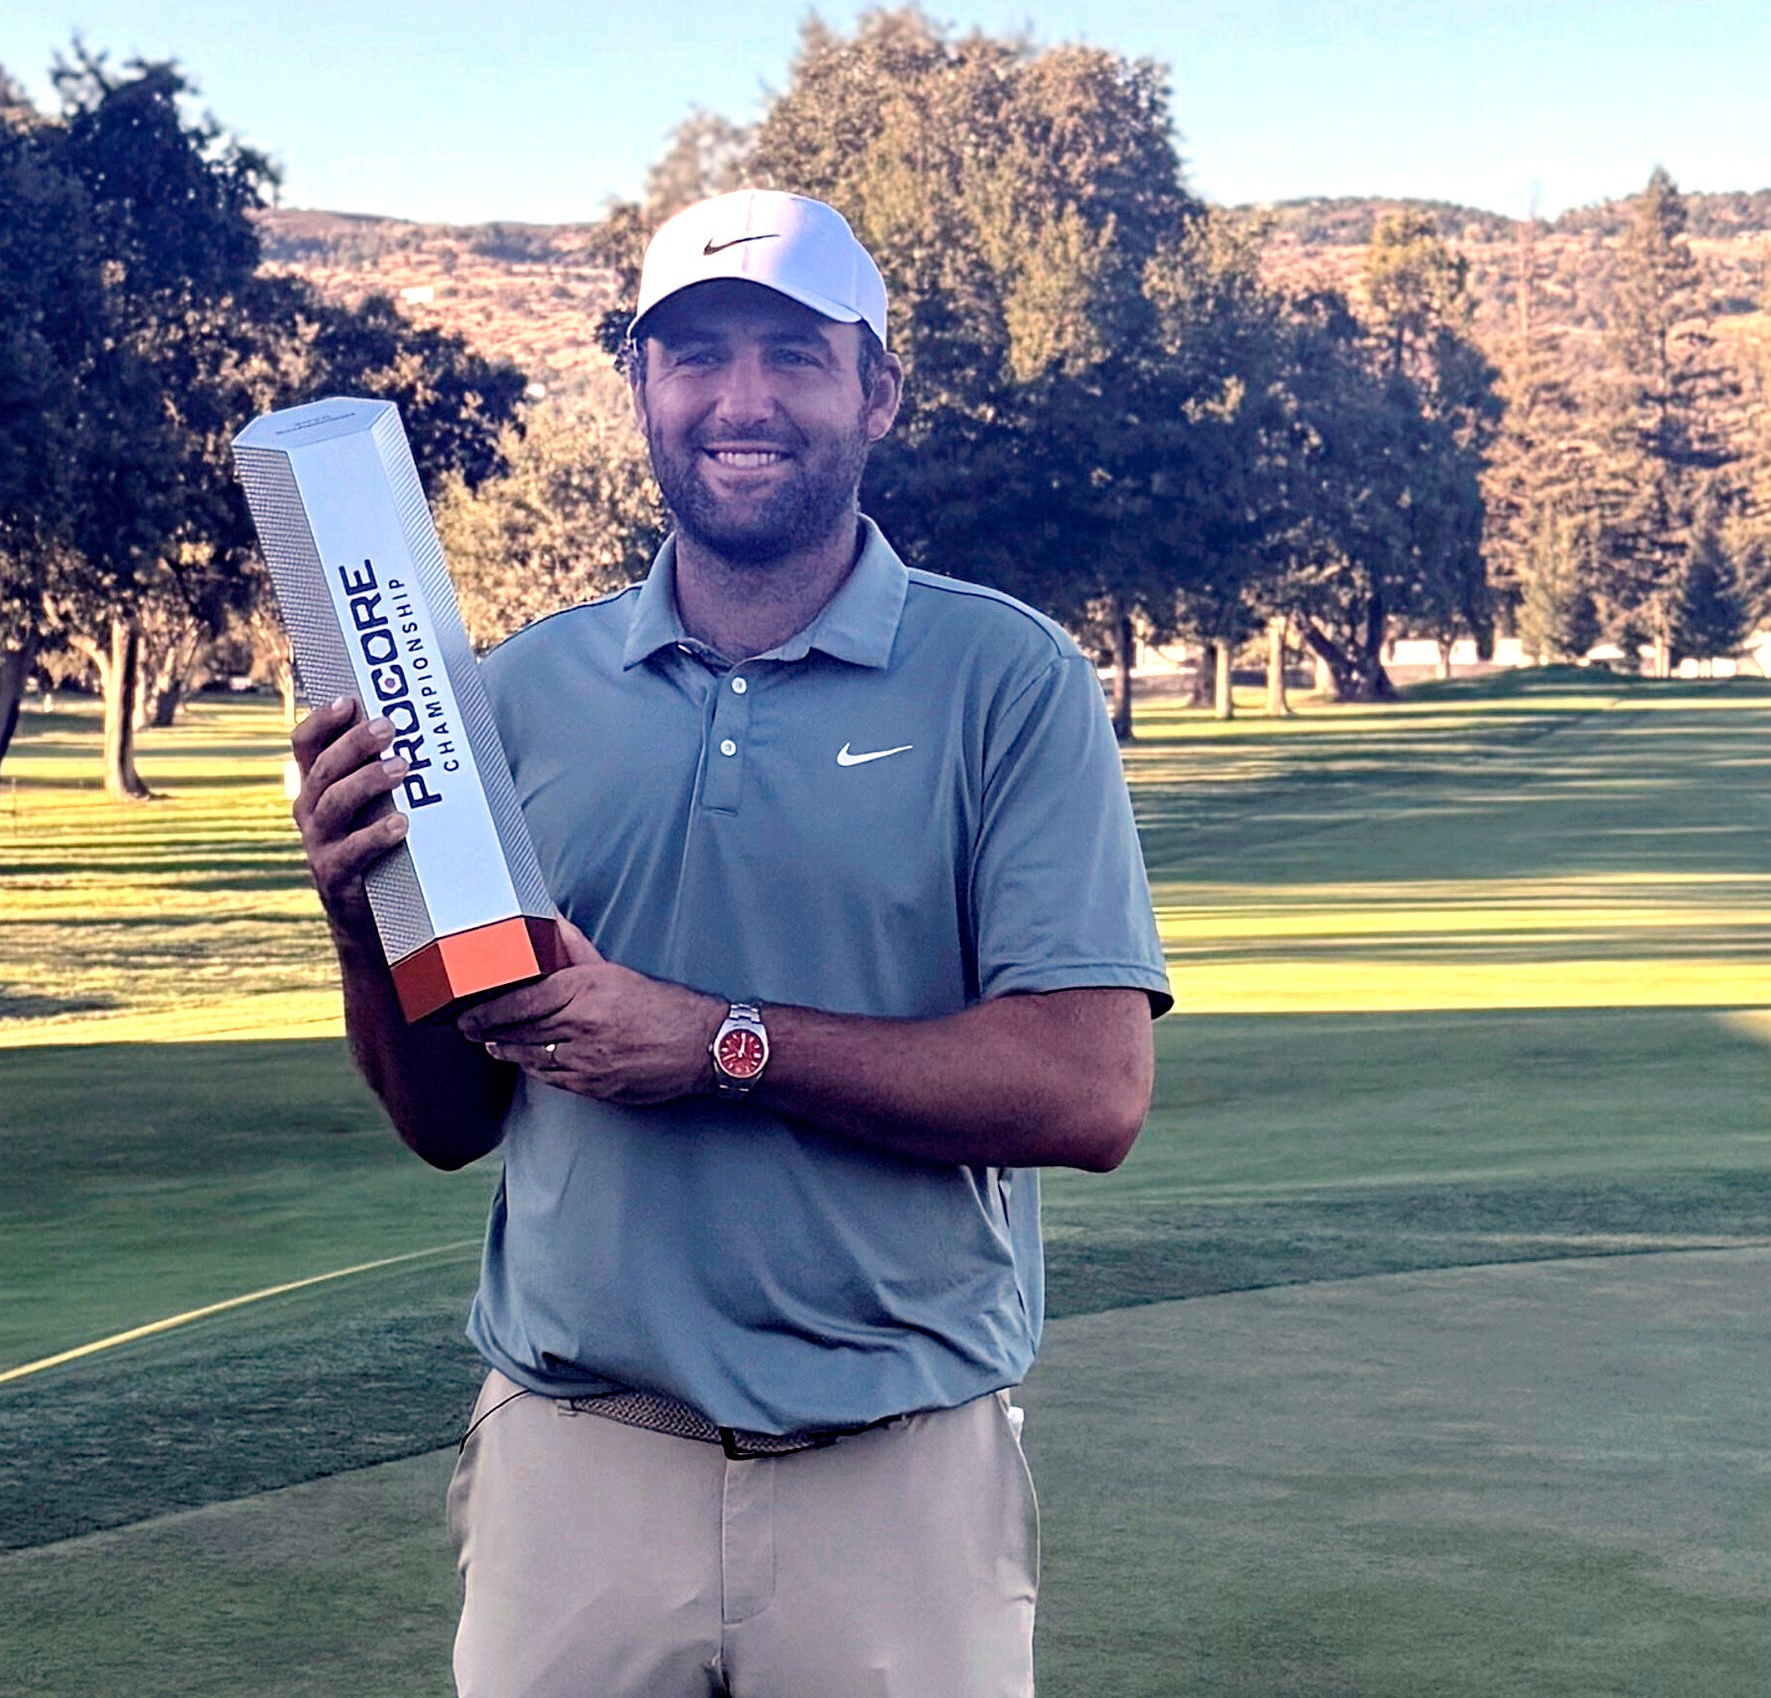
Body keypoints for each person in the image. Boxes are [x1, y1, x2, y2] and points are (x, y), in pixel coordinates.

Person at [290, 188, 1169, 1697]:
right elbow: (449, 1125)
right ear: (640, 388)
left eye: (793, 354)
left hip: (895, 1485)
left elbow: (1090, 1094)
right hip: (575, 1468)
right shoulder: (511, 696)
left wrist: (714, 1044)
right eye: (695, 356)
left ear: (876, 390)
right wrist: (362, 922)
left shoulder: (1005, 678)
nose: (741, 400)